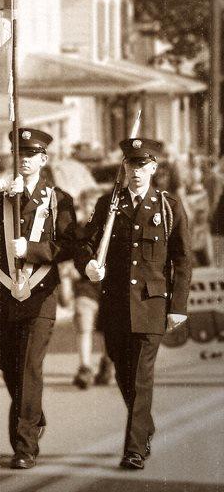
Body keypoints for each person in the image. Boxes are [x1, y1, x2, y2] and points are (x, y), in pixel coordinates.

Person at [0, 128, 77, 469]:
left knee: (29, 368)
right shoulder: (1, 195)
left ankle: (24, 445)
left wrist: (35, 249)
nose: (24, 160)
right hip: (3, 294)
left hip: (40, 296)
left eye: (31, 155)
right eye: (19, 155)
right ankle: (33, 413)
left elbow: (70, 245)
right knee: (8, 366)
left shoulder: (59, 199)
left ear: (43, 160)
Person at [77, 137, 192, 471]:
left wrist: (178, 306)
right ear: (123, 167)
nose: (137, 171)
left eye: (144, 165)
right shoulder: (108, 205)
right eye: (131, 164)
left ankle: (134, 449)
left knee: (141, 376)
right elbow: (85, 244)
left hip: (152, 303)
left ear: (154, 168)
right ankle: (145, 427)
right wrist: (88, 265)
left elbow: (183, 260)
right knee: (124, 372)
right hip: (114, 303)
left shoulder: (168, 206)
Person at [72, 187, 113, 389]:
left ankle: (107, 363)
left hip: (108, 285)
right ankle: (85, 367)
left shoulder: (111, 228)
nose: (89, 208)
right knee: (83, 321)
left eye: (93, 205)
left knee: (109, 327)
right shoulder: (77, 229)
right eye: (86, 204)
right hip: (85, 285)